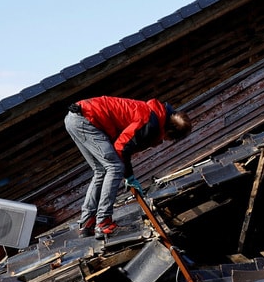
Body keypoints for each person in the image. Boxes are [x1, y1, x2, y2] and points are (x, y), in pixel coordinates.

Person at [64, 96, 192, 238]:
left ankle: (87, 222)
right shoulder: (150, 122)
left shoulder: (153, 115)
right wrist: (129, 176)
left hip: (76, 118)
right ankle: (103, 222)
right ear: (170, 131)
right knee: (115, 167)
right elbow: (121, 148)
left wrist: (128, 175)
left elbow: (125, 146)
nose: (167, 141)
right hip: (87, 120)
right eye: (171, 138)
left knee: (101, 170)